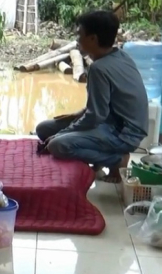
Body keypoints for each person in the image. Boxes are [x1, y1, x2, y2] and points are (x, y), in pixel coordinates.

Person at [35, 11, 148, 183]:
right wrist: (76, 116)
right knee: (44, 129)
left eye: (80, 36)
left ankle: (117, 160)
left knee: (57, 145)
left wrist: (64, 133)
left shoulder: (99, 69)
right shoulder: (120, 55)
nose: (77, 41)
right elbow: (101, 107)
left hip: (124, 134)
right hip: (111, 122)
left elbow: (96, 116)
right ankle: (100, 158)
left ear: (93, 39)